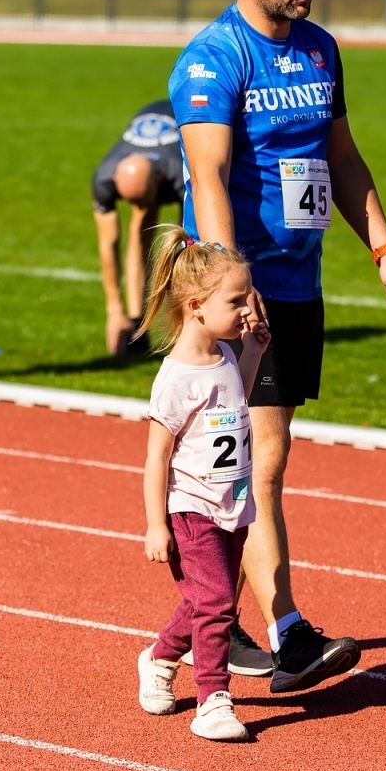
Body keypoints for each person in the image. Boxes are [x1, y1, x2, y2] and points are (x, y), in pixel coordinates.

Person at [166, 0, 386, 693]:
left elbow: (340, 157)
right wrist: (233, 292)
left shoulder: (320, 51)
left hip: (298, 288)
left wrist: (383, 247)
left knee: (240, 468)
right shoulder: (213, 60)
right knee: (257, 462)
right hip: (236, 293)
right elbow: (207, 178)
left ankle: (202, 626)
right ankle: (288, 634)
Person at [135, 227, 270, 742]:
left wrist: (254, 351)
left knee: (203, 600)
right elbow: (155, 456)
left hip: (232, 504)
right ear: (195, 306)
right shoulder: (175, 379)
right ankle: (213, 698)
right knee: (218, 604)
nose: (246, 309)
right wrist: (155, 525)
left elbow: (238, 399)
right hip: (192, 509)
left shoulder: (226, 357)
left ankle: (159, 657)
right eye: (236, 301)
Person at [91, 101, 184, 354]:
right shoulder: (103, 178)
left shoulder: (181, 173)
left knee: (186, 247)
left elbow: (193, 243)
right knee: (140, 229)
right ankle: (136, 323)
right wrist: (114, 311)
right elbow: (107, 244)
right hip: (153, 162)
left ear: (159, 181)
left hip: (181, 155)